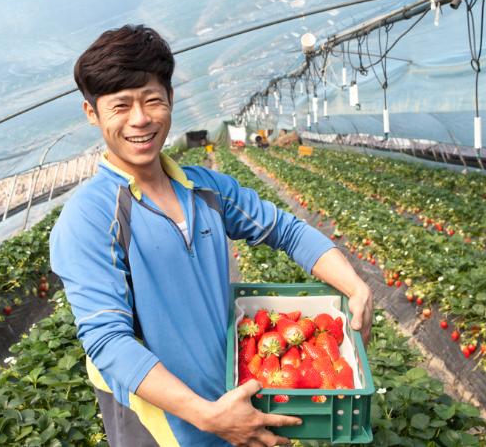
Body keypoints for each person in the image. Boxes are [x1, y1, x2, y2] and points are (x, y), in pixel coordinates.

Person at [50, 24, 373, 447]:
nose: (140, 119)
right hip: (163, 425)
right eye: (120, 106)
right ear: (92, 113)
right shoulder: (90, 216)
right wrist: (207, 416)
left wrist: (355, 286)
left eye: (152, 100)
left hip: (232, 400)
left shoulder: (206, 189)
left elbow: (287, 230)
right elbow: (108, 341)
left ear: (170, 101)